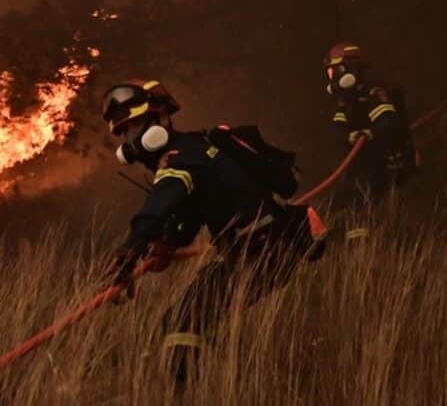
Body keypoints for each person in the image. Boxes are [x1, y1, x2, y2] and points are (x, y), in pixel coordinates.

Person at [101, 79, 324, 385]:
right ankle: (220, 384)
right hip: (258, 248)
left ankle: (192, 392)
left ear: (161, 119)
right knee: (184, 318)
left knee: (184, 319)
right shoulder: (195, 148)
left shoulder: (179, 158)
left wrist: (129, 251)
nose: (132, 138)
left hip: (261, 250)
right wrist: (166, 242)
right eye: (125, 131)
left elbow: (159, 203)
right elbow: (189, 217)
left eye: (136, 125)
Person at [323, 43, 414, 239]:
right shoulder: (347, 100)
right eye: (330, 74)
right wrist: (349, 136)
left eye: (335, 71)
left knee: (361, 199)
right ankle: (347, 241)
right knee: (342, 200)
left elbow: (389, 122)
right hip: (360, 160)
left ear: (350, 70)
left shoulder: (373, 93)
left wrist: (369, 133)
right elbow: (336, 127)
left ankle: (362, 244)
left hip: (381, 159)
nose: (333, 78)